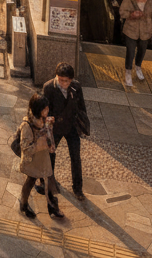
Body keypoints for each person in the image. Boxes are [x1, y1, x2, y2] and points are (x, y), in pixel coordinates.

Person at [42, 63, 90, 201]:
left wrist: (83, 125)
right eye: (61, 80)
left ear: (71, 80)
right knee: (50, 155)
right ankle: (50, 181)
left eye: (67, 81)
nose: (64, 83)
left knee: (75, 157)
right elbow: (44, 108)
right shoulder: (49, 87)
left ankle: (78, 188)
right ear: (56, 77)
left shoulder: (76, 87)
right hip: (55, 128)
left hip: (71, 127)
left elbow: (82, 108)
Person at [17, 94, 65, 220]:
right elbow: (26, 149)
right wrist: (39, 145)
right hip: (33, 161)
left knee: (49, 182)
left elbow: (46, 136)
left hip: (43, 158)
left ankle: (52, 207)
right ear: (38, 109)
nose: (47, 110)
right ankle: (23, 204)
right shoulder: (27, 125)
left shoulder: (43, 119)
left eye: (47, 108)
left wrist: (50, 127)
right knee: (31, 181)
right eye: (45, 109)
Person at [118, 0, 152, 87]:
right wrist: (131, 15)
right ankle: (128, 72)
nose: (141, 0)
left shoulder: (151, 3)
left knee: (142, 50)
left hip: (145, 32)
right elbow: (121, 12)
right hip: (131, 31)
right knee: (130, 51)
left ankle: (138, 66)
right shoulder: (128, 0)